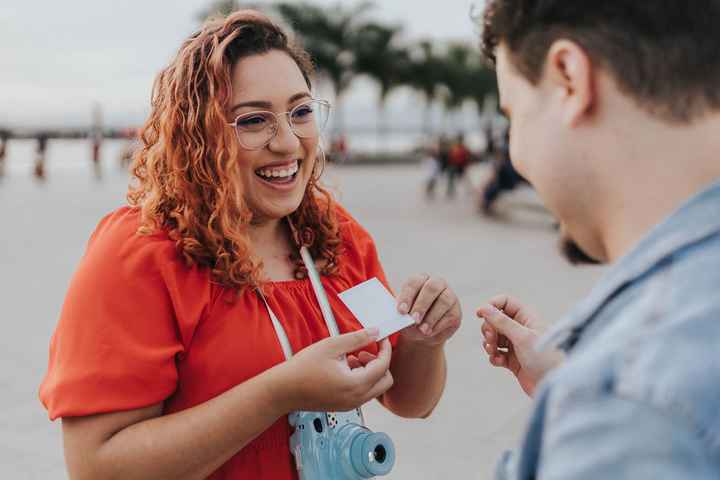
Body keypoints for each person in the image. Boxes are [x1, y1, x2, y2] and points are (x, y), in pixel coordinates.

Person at [39, 11, 461, 480]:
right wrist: (281, 392)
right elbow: (96, 467)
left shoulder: (334, 236)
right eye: (254, 120)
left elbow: (410, 401)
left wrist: (424, 343)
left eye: (300, 112)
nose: (286, 143)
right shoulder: (139, 255)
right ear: (199, 134)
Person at [476, 1, 720, 478]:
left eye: (514, 113)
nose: (516, 153)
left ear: (569, 78)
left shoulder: (632, 395)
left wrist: (591, 397)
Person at [480, 127, 527, 215]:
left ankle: (486, 203)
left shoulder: (507, 147)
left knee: (493, 187)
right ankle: (486, 203)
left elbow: (500, 163)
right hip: (508, 173)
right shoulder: (510, 147)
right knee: (493, 187)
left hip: (508, 174)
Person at [446, 134, 471, 198]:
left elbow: (466, 157)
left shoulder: (462, 148)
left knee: (463, 178)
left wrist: (466, 165)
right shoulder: (456, 148)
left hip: (460, 165)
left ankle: (469, 190)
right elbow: (450, 156)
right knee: (452, 178)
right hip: (455, 165)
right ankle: (450, 191)